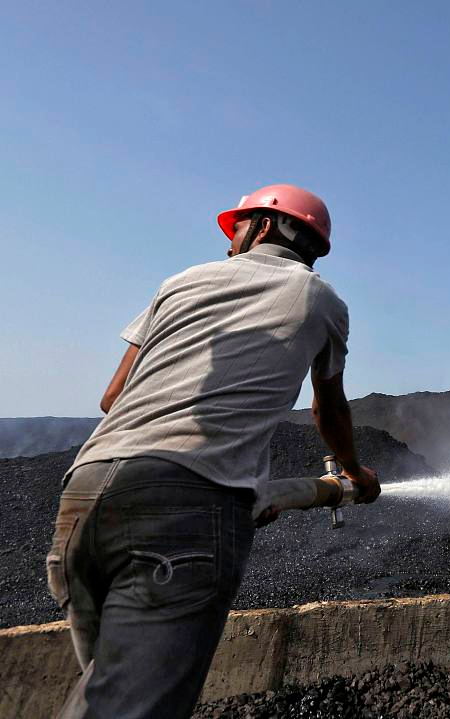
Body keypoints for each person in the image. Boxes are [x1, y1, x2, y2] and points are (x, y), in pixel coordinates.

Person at [46, 183, 380, 718]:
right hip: (185, 513)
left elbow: (113, 397)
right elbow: (328, 409)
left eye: (237, 228)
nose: (229, 243)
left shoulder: (178, 283)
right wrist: (355, 473)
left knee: (101, 693)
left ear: (266, 226)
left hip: (83, 497)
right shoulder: (321, 299)